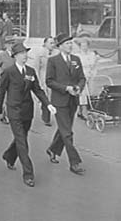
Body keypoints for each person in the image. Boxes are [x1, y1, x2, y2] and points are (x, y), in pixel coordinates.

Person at [0, 42, 56, 187]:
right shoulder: (8, 72)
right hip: (14, 110)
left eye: (26, 53)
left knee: (21, 137)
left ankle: (9, 156)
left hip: (27, 111)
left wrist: (48, 104)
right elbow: (1, 91)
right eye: (21, 54)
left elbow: (38, 90)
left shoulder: (30, 71)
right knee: (22, 141)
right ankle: (28, 174)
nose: (25, 56)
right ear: (15, 56)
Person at [45, 32, 86, 175]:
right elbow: (49, 81)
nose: (70, 46)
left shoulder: (76, 59)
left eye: (71, 43)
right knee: (67, 132)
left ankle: (53, 149)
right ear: (60, 46)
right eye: (67, 44)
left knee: (64, 129)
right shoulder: (53, 61)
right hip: (60, 101)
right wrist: (65, 88)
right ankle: (74, 162)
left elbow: (82, 78)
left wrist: (78, 88)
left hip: (73, 100)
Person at [33, 36, 58, 126]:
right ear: (45, 44)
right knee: (45, 98)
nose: (52, 45)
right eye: (50, 43)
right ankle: (46, 117)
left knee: (53, 98)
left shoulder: (57, 53)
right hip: (44, 77)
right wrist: (38, 80)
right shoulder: (40, 53)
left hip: (54, 78)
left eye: (53, 43)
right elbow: (36, 68)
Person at [74, 35, 98, 120]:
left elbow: (94, 66)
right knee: (82, 94)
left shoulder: (92, 54)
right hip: (81, 76)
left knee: (90, 93)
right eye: (82, 45)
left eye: (86, 45)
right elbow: (75, 67)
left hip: (90, 75)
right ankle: (83, 112)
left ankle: (84, 111)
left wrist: (93, 74)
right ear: (80, 46)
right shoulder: (77, 56)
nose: (84, 47)